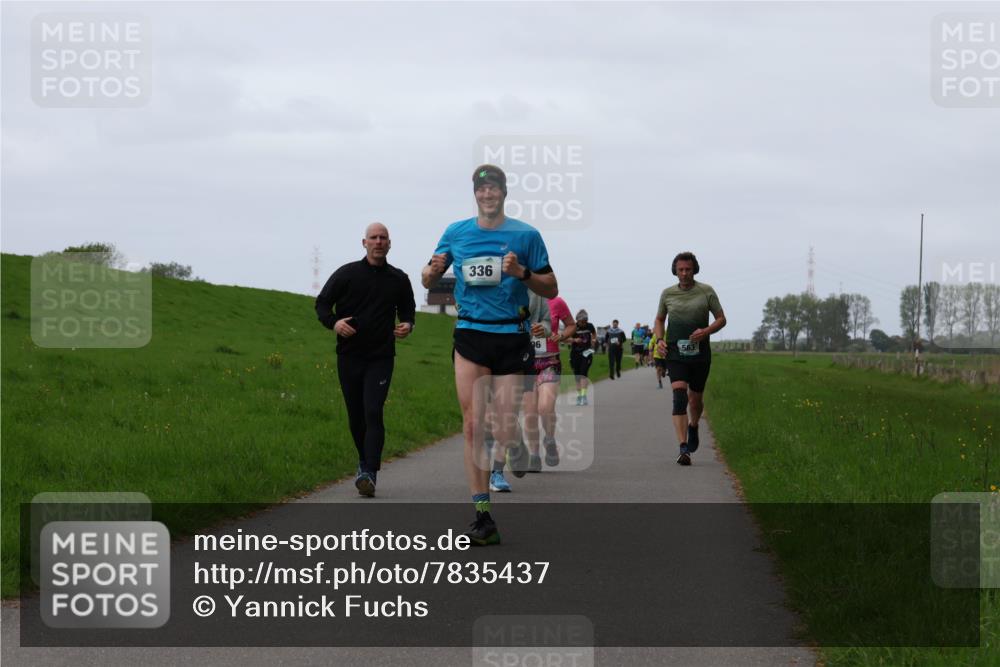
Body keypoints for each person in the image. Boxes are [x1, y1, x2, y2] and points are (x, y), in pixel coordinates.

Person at [422, 164, 557, 545]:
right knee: (472, 425)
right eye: (481, 189)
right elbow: (429, 275)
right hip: (470, 334)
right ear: (475, 194)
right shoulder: (456, 232)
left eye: (493, 188)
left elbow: (550, 287)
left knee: (504, 425)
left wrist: (523, 273)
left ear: (504, 192)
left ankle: (514, 445)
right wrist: (430, 274)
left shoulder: (527, 235)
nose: (487, 195)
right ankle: (483, 516)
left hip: (511, 337)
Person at [315, 223, 416, 497]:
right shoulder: (347, 274)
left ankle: (369, 472)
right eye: (374, 238)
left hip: (381, 356)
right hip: (349, 356)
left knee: (373, 410)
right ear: (364, 242)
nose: (379, 242)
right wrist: (334, 323)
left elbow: (408, 311)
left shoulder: (399, 278)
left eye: (383, 238)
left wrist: (407, 325)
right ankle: (363, 462)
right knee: (356, 416)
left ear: (390, 243)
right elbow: (322, 304)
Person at [654, 251, 726, 466]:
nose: (684, 273)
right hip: (675, 352)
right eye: (680, 270)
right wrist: (659, 340)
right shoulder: (667, 294)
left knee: (695, 400)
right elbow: (659, 319)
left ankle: (694, 425)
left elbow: (721, 319)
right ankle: (683, 448)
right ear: (675, 271)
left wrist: (706, 331)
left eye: (688, 269)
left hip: (700, 353)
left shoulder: (706, 291)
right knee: (679, 397)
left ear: (694, 269)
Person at [518, 294, 575, 472]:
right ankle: (534, 455)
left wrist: (562, 335)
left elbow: (571, 325)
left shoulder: (556, 302)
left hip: (549, 362)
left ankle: (549, 439)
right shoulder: (518, 298)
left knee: (545, 407)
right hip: (526, 363)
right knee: (530, 413)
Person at [569, 309, 597, 406]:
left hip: (587, 352)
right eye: (581, 322)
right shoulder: (573, 327)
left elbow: (594, 333)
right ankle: (579, 396)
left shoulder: (590, 326)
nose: (584, 323)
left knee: (583, 374)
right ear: (577, 320)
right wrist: (574, 339)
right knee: (577, 376)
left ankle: (584, 396)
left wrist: (593, 340)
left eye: (585, 321)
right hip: (575, 354)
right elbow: (566, 338)